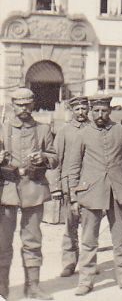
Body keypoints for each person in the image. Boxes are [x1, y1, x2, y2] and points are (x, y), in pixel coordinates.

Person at [65, 95, 122, 296]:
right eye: (96, 111)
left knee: (121, 240)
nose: (100, 115)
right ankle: (86, 281)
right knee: (89, 240)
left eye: (104, 111)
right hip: (91, 194)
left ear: (110, 111)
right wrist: (74, 197)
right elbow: (74, 167)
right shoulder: (83, 134)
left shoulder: (121, 131)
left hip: (118, 193)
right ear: (91, 111)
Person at [0, 88, 57, 300]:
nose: (24, 108)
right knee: (2, 243)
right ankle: (2, 288)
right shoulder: (2, 128)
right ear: (12, 104)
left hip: (34, 189)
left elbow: (54, 157)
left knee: (33, 240)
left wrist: (43, 157)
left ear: (33, 104)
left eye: (27, 104)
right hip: (6, 191)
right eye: (19, 104)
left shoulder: (43, 129)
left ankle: (33, 286)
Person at [54, 96, 90, 278]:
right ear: (72, 111)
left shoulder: (94, 129)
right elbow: (55, 160)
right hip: (70, 186)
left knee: (91, 227)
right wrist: (57, 186)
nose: (81, 112)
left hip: (91, 186)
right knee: (70, 226)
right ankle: (69, 263)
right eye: (77, 109)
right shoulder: (65, 131)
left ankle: (88, 263)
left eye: (84, 108)